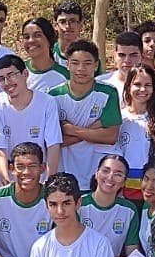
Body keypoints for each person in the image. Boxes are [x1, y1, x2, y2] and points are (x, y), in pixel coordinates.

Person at [49, 38, 122, 188]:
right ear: (67, 64)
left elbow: (110, 136)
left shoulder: (108, 92)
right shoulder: (53, 95)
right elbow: (55, 141)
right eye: (75, 63)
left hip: (98, 174)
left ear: (96, 65)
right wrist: (93, 129)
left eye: (87, 63)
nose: (81, 68)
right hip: (64, 171)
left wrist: (71, 130)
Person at [0, 52, 62, 181]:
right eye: (1, 79)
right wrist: (4, 178)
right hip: (11, 172)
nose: (7, 82)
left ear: (25, 74)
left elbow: (53, 144)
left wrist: (49, 179)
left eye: (11, 75)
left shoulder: (47, 102)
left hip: (40, 174)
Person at [118, 63, 155, 201]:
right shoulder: (120, 118)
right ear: (128, 86)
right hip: (123, 190)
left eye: (148, 85)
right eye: (137, 84)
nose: (142, 89)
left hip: (153, 190)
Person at [21, 16, 69, 92]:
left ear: (49, 39)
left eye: (37, 35)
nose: (31, 40)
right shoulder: (17, 71)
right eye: (26, 37)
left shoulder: (65, 76)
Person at [99, 32, 144, 98]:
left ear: (142, 57)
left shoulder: (151, 85)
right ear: (114, 56)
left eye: (133, 55)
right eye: (122, 55)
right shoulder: (101, 84)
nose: (127, 60)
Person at [53, 0, 84, 64]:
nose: (67, 26)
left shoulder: (90, 55)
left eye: (72, 21)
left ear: (80, 25)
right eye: (63, 22)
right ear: (55, 25)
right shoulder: (47, 54)